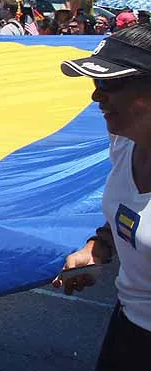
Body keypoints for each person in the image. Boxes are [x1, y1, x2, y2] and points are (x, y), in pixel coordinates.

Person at [54, 26, 151, 369]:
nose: (96, 97)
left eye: (110, 84)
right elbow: (132, 212)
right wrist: (100, 246)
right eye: (96, 83)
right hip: (127, 328)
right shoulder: (124, 142)